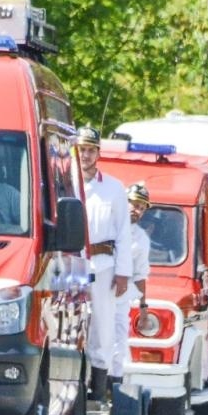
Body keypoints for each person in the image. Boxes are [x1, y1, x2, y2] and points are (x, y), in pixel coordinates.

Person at [76, 127, 132, 399]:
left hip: (103, 262)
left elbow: (123, 232)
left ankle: (97, 389)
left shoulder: (113, 188)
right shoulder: (65, 183)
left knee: (102, 324)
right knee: (68, 320)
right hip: (72, 263)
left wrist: (123, 272)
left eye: (90, 150)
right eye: (82, 149)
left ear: (98, 153)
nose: (85, 155)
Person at [112, 183, 153, 376]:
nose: (136, 209)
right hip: (94, 290)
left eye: (141, 207)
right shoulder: (107, 224)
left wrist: (143, 309)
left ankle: (112, 385)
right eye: (133, 203)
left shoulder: (141, 239)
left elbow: (140, 275)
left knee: (119, 339)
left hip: (120, 296)